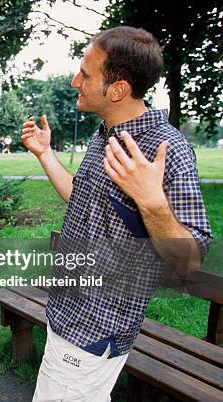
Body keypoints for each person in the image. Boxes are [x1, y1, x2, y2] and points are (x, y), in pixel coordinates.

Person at [22, 26, 212, 401]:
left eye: (86, 74)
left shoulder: (164, 149)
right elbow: (82, 196)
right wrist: (45, 154)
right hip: (69, 313)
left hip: (93, 328)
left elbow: (190, 259)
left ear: (118, 89)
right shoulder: (106, 133)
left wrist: (153, 203)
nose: (76, 81)